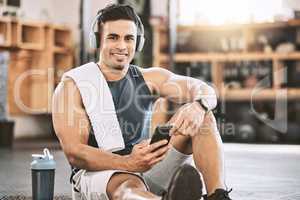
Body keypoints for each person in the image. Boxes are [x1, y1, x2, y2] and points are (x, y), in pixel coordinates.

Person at [52, 4, 232, 200]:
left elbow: (205, 90)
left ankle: (218, 196)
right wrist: (129, 163)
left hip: (145, 163)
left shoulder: (149, 78)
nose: (122, 46)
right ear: (97, 40)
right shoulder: (74, 85)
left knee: (203, 117)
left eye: (128, 38)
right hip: (99, 173)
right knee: (128, 185)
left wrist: (199, 106)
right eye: (113, 37)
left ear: (137, 43)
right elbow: (75, 153)